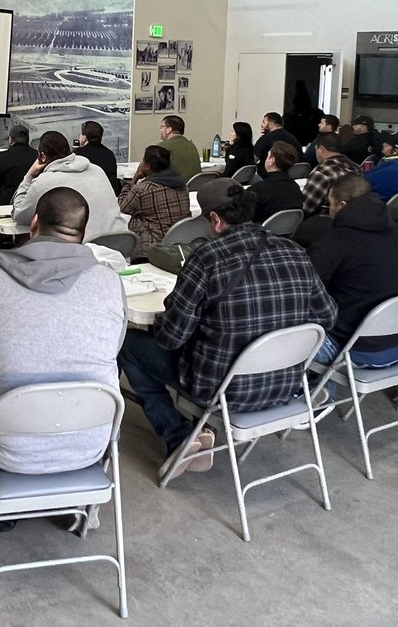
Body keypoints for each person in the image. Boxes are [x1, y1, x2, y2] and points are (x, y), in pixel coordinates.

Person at [0, 187, 126, 543]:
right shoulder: (109, 281)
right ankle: (80, 503)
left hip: (3, 440)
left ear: (35, 223)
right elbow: (113, 352)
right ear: (82, 234)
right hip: (92, 440)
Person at [118, 178, 336, 476]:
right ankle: (193, 431)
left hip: (220, 387)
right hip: (286, 383)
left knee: (129, 345)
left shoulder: (207, 258)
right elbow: (326, 317)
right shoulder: (294, 250)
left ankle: (180, 434)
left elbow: (171, 337)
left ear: (216, 220)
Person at [309, 175, 398, 366]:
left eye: (331, 204)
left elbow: (304, 287)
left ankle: (314, 388)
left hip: (352, 347)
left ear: (341, 205)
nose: (330, 211)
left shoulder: (337, 241)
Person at [11, 131, 124, 241]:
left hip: (82, 253)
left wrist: (29, 175)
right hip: (118, 247)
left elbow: (20, 215)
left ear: (43, 157)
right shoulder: (97, 170)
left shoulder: (44, 181)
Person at [118, 145, 189, 259]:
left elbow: (122, 207)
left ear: (147, 166)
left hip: (152, 246)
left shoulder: (143, 190)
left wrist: (134, 179)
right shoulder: (183, 186)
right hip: (179, 243)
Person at [300, 134, 361, 217]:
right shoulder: (356, 168)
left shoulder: (322, 172)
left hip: (323, 223)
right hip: (352, 219)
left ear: (321, 149)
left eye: (316, 150)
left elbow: (306, 208)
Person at [0, 124, 38, 205]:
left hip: (5, 202)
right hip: (31, 203)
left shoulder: (1, 157)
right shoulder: (38, 157)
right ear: (27, 140)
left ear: (10, 140)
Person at [253, 141, 304, 222]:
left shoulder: (258, 189)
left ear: (271, 161)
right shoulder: (295, 188)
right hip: (289, 232)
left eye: (267, 156)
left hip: (259, 232)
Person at [363, 131, 398, 201]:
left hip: (378, 203)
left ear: (395, 150)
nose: (382, 151)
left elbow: (364, 181)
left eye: (386, 146)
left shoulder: (392, 168)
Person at [75, 120, 120, 193]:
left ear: (84, 138)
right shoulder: (109, 154)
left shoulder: (78, 155)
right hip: (108, 194)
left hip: (86, 195)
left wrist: (80, 146)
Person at [253, 112, 301, 177]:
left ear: (271, 124)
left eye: (264, 122)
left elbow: (253, 160)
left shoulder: (266, 139)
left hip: (268, 176)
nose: (262, 125)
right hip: (291, 176)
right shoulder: (292, 138)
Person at [157, 116, 202, 181]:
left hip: (175, 188)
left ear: (168, 129)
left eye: (162, 127)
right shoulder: (191, 145)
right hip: (194, 187)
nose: (160, 130)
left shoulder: (162, 146)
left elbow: (145, 169)